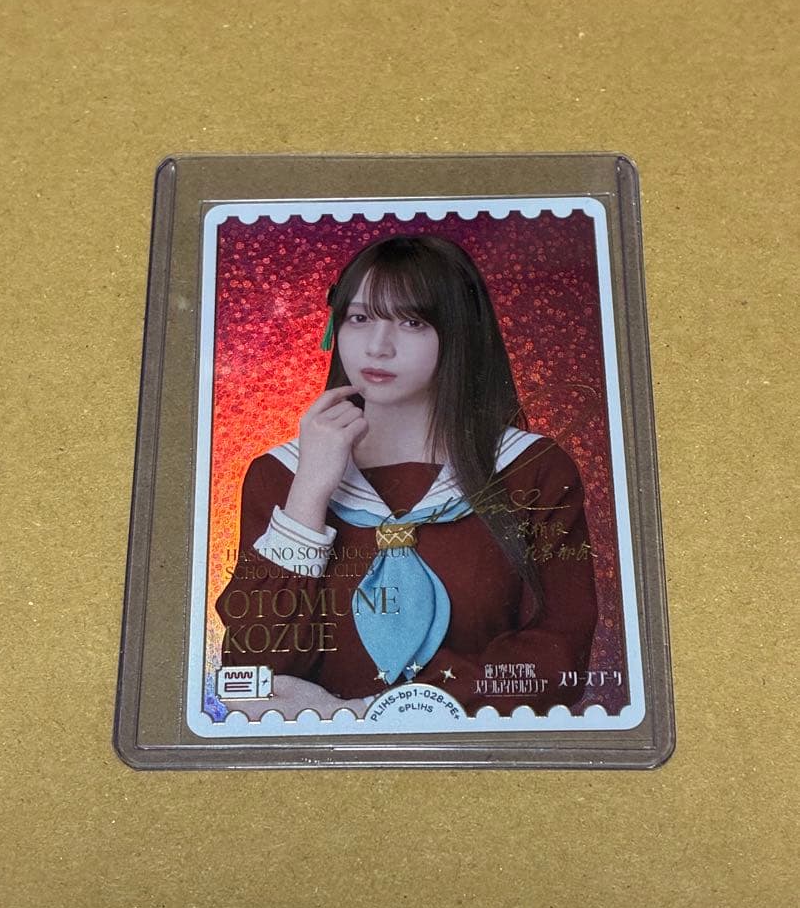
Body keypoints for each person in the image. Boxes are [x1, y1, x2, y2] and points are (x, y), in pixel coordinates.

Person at [215, 235, 597, 719]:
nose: (378, 347)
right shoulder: (280, 474)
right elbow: (253, 672)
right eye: (360, 318)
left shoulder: (531, 470)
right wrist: (310, 490)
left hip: (482, 759)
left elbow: (556, 658)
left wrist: (372, 713)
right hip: (318, 764)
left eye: (412, 322)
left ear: (459, 331)